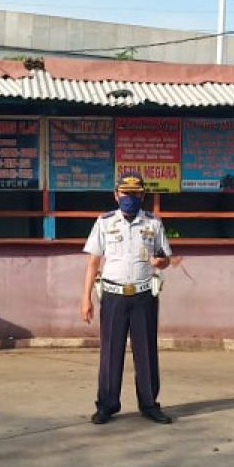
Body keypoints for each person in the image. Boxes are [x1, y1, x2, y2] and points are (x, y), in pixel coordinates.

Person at [80, 173, 173, 424]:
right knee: (110, 352)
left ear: (142, 196)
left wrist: (161, 262)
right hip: (113, 296)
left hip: (143, 295)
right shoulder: (104, 223)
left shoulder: (153, 224)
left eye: (134, 194)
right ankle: (107, 405)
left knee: (146, 352)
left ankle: (149, 404)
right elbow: (93, 263)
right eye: (125, 193)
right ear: (116, 195)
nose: (129, 198)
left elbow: (166, 259)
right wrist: (85, 298)